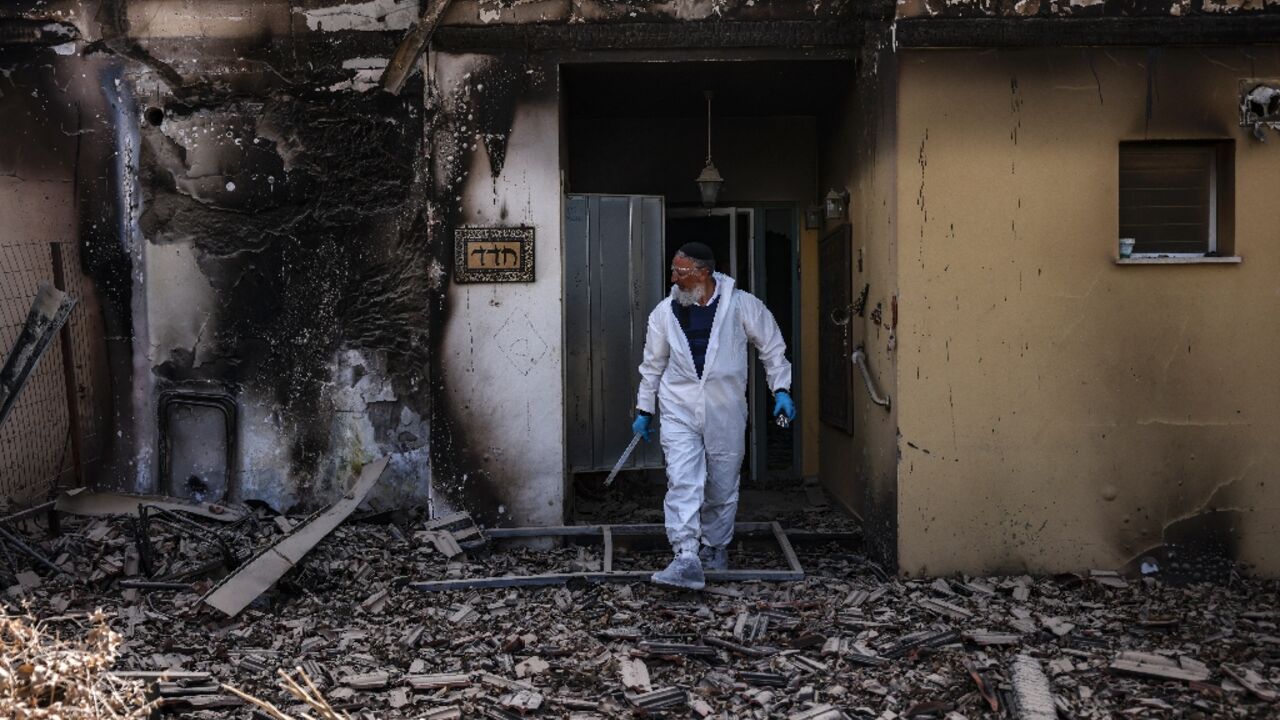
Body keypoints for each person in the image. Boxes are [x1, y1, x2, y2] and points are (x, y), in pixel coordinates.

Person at [631, 241, 795, 590]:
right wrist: (644, 408)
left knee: (722, 483)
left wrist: (781, 389)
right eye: (673, 271)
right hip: (678, 407)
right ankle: (685, 556)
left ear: (703, 274)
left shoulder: (741, 305)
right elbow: (653, 364)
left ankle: (715, 547)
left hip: (725, 409)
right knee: (682, 480)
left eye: (681, 272)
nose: (673, 278)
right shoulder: (664, 313)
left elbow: (772, 346)